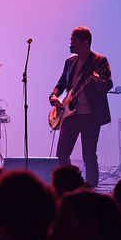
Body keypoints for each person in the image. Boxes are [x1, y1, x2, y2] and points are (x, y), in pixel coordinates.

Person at [49, 27, 114, 188]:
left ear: (84, 42)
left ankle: (92, 189)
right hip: (70, 115)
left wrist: (99, 81)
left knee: (89, 155)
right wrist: (53, 95)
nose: (70, 44)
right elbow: (61, 83)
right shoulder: (70, 62)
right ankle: (68, 185)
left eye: (73, 41)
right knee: (62, 154)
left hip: (90, 116)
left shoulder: (100, 61)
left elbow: (107, 85)